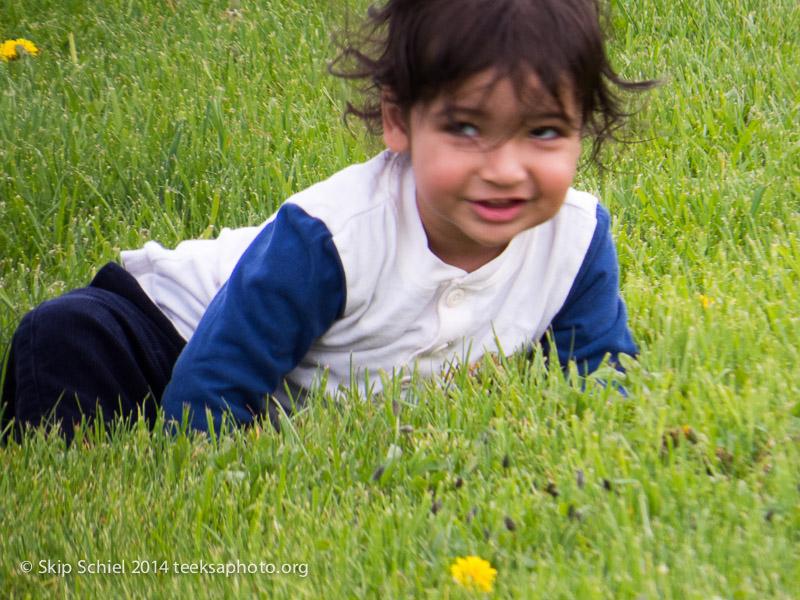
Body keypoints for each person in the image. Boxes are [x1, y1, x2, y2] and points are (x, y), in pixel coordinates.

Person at [1, 0, 654, 440]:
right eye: (467, 128)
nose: (506, 168)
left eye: (543, 131)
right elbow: (213, 380)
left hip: (276, 374)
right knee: (67, 340)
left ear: (583, 132)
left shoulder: (576, 237)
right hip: (160, 331)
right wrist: (204, 461)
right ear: (398, 120)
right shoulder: (332, 237)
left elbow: (598, 372)